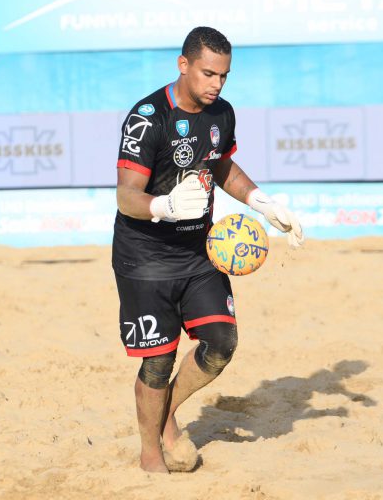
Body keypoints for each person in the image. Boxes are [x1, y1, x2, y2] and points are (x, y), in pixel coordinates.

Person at [112, 26, 304, 473]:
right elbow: (125, 196)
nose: (217, 84)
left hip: (199, 251)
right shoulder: (147, 118)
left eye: (224, 75)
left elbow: (221, 166)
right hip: (146, 257)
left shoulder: (222, 113)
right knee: (158, 362)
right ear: (184, 65)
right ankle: (150, 454)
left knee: (221, 343)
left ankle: (165, 416)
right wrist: (164, 206)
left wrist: (262, 202)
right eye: (208, 73)